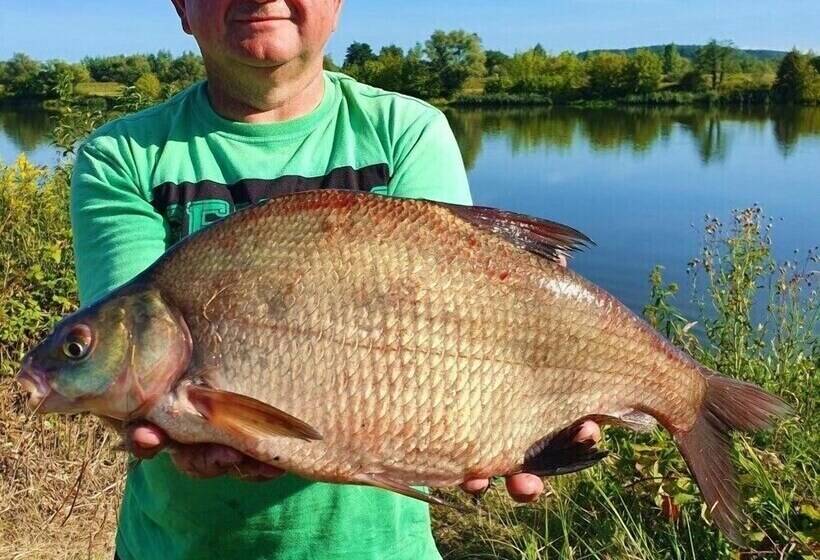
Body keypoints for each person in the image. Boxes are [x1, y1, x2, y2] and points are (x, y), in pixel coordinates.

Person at [70, 1, 600, 558]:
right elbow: (127, 367)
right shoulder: (122, 158)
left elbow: (466, 317)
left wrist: (546, 392)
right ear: (181, 6)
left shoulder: (406, 133)